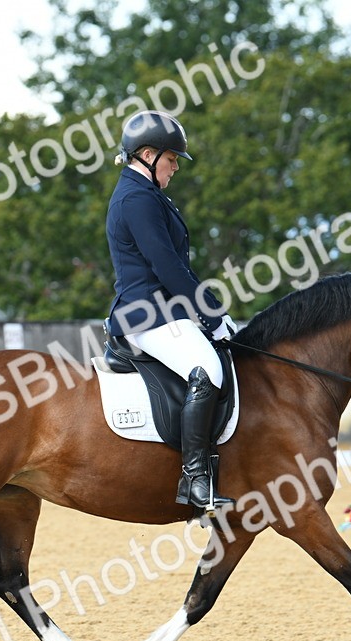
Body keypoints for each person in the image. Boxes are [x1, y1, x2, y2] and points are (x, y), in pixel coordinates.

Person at [105, 110, 235, 512]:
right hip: (146, 314)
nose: (176, 167)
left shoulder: (150, 196)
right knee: (207, 370)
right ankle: (195, 480)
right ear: (147, 154)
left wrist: (208, 311)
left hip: (165, 311)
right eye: (171, 159)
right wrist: (211, 315)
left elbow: (178, 268)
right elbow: (166, 266)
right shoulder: (136, 198)